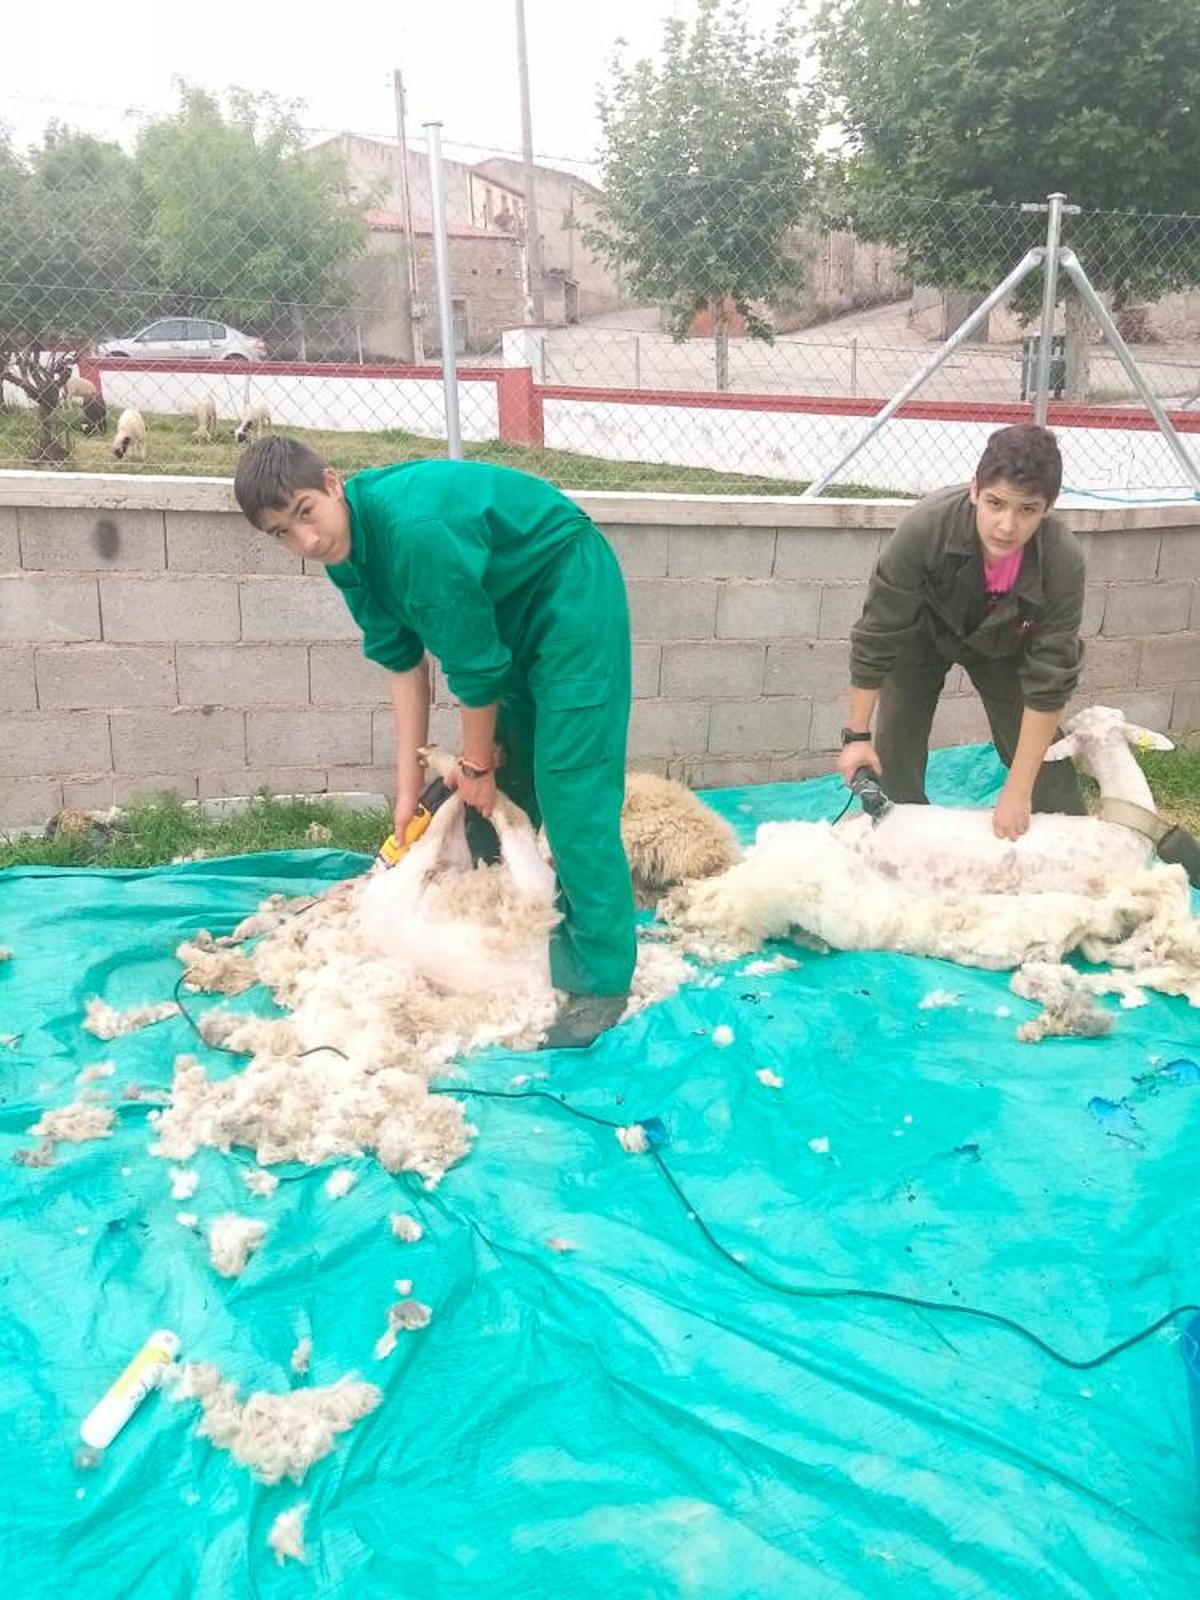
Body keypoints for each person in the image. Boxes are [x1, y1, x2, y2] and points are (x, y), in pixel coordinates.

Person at [233, 438, 636, 1049]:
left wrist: (474, 763)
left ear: (333, 483)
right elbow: (404, 666)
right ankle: (510, 915)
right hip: (504, 608)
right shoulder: (345, 557)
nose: (306, 542)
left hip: (567, 590)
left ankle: (602, 977)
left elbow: (474, 672)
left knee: (570, 781)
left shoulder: (414, 533)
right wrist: (405, 794)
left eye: (306, 511)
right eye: (283, 533)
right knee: (510, 771)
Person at [836, 423, 1087, 839]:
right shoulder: (925, 528)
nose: (1006, 525)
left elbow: (1051, 679)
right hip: (923, 632)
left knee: (1049, 785)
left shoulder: (1062, 560)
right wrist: (857, 737)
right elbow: (877, 633)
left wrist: (1018, 791)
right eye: (995, 503)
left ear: (1048, 507)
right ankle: (900, 839)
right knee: (898, 738)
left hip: (1005, 645)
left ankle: (1070, 840)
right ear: (974, 490)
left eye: (1027, 509)